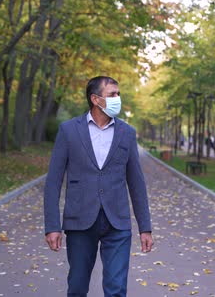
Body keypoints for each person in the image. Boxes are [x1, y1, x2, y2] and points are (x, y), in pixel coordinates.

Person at [44, 76, 153, 297]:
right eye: (112, 94)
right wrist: (52, 226)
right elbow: (53, 181)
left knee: (116, 289)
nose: (117, 99)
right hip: (80, 221)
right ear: (95, 99)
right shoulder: (69, 131)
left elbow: (136, 182)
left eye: (118, 94)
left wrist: (145, 227)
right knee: (77, 287)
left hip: (117, 222)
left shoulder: (127, 133)